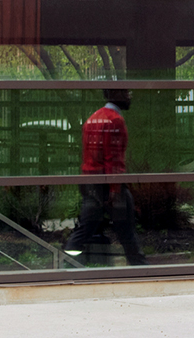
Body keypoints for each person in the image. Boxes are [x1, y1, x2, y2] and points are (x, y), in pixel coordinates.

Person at [67, 89, 146, 265]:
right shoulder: (115, 120)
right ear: (118, 96)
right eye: (127, 93)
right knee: (126, 228)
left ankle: (67, 260)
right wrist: (115, 191)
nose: (130, 96)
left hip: (90, 180)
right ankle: (139, 267)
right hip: (107, 183)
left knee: (85, 228)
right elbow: (114, 159)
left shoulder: (93, 118)